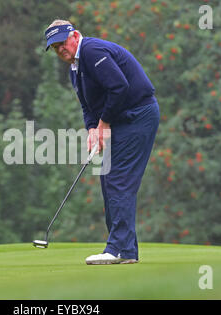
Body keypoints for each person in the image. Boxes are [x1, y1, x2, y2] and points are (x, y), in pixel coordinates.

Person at [44, 20, 160, 265]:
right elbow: (88, 105)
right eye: (55, 48)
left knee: (118, 180)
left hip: (138, 115)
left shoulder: (91, 51)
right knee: (109, 180)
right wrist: (91, 130)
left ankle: (116, 249)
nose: (61, 50)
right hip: (120, 119)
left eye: (62, 43)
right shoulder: (75, 69)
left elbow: (119, 87)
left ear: (74, 35)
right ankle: (125, 250)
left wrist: (104, 123)